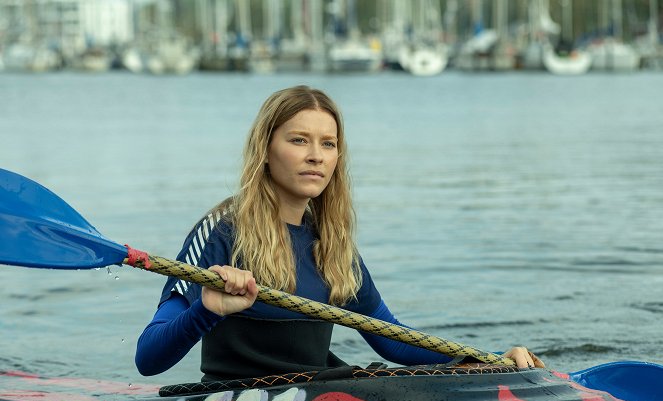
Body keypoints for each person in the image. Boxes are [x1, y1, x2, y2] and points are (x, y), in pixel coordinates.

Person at [135, 85, 544, 381]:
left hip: (318, 400)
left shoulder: (333, 246)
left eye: (328, 144)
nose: (316, 155)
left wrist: (487, 361)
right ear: (266, 150)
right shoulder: (222, 232)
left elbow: (394, 341)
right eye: (299, 140)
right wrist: (206, 309)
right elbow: (148, 358)